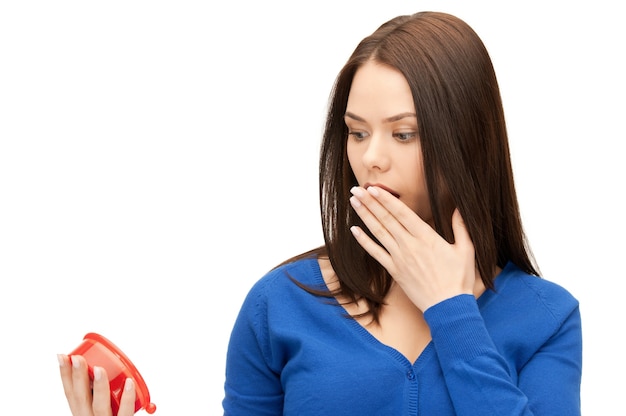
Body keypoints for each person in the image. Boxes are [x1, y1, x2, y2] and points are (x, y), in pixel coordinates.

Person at [57, 10, 582, 416]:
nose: (371, 158)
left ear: (469, 142)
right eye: (357, 132)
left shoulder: (547, 317)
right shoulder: (279, 304)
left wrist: (451, 312)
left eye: (403, 133)